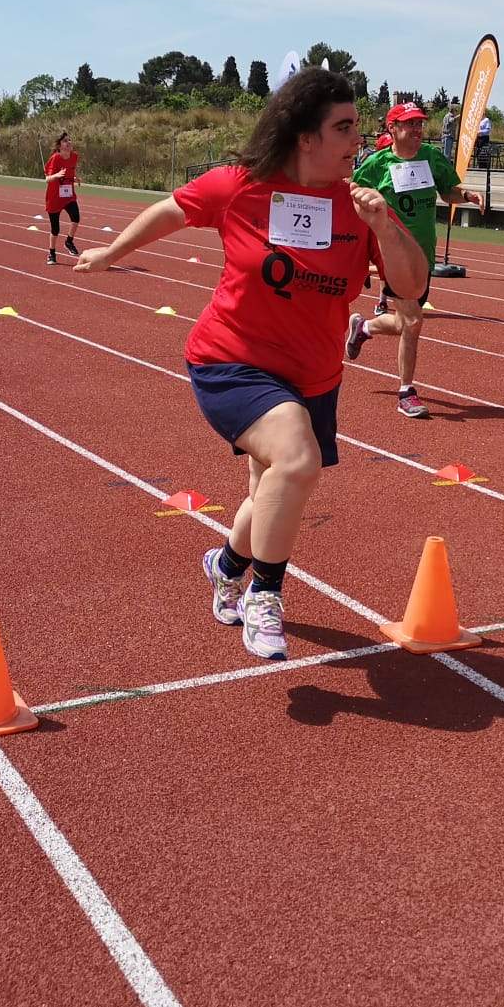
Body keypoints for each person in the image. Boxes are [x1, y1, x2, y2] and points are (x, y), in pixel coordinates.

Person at [74, 68, 424, 661]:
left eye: (357, 129)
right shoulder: (241, 186)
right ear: (304, 137)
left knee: (271, 489)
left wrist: (385, 227)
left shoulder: (359, 205)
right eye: (343, 129)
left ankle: (226, 564)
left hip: (314, 375)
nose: (356, 142)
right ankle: (265, 595)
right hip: (231, 361)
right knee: (296, 458)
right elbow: (171, 210)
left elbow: (411, 289)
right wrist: (111, 252)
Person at [344, 100, 482, 419]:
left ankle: (363, 327)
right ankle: (406, 391)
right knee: (414, 321)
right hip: (392, 254)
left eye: (420, 124)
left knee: (405, 321)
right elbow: (352, 196)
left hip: (424, 253)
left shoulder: (431, 157)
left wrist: (466, 196)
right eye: (410, 124)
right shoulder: (377, 164)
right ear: (393, 129)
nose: (418, 130)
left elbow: (448, 190)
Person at [42, 131, 82, 263]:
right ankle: (51, 253)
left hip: (68, 195)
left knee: (76, 218)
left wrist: (74, 178)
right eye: (65, 140)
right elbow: (47, 179)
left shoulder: (74, 156)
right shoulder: (55, 158)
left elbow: (70, 172)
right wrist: (57, 175)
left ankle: (69, 241)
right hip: (54, 197)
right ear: (59, 146)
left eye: (69, 140)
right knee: (55, 229)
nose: (68, 142)